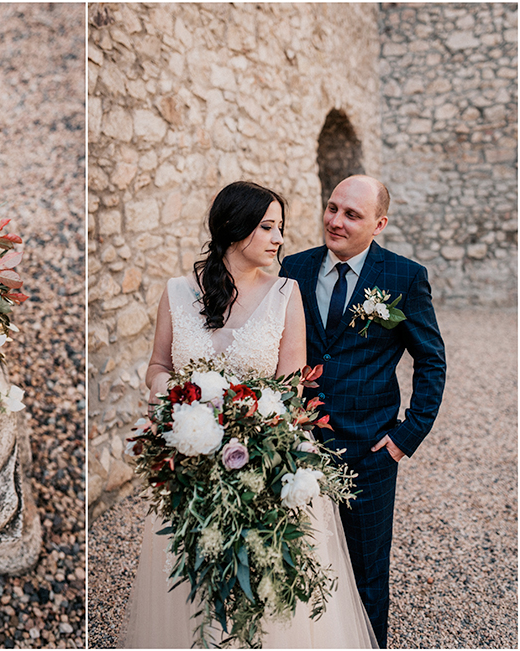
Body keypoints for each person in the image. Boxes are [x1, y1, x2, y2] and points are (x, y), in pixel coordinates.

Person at [123, 181, 378, 648]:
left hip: (264, 459)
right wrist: (182, 398)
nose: (279, 239)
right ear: (234, 228)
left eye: (280, 228)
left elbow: (292, 384)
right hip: (193, 459)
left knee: (266, 584)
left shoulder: (286, 292)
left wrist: (250, 422)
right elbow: (158, 367)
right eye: (267, 227)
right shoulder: (178, 293)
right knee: (196, 583)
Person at [280, 175, 446, 648]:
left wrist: (404, 438)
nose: (335, 220)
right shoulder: (293, 267)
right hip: (297, 448)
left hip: (369, 453)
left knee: (366, 574)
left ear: (379, 224)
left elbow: (431, 360)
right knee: (297, 561)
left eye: (351, 214)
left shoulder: (403, 278)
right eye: (332, 208)